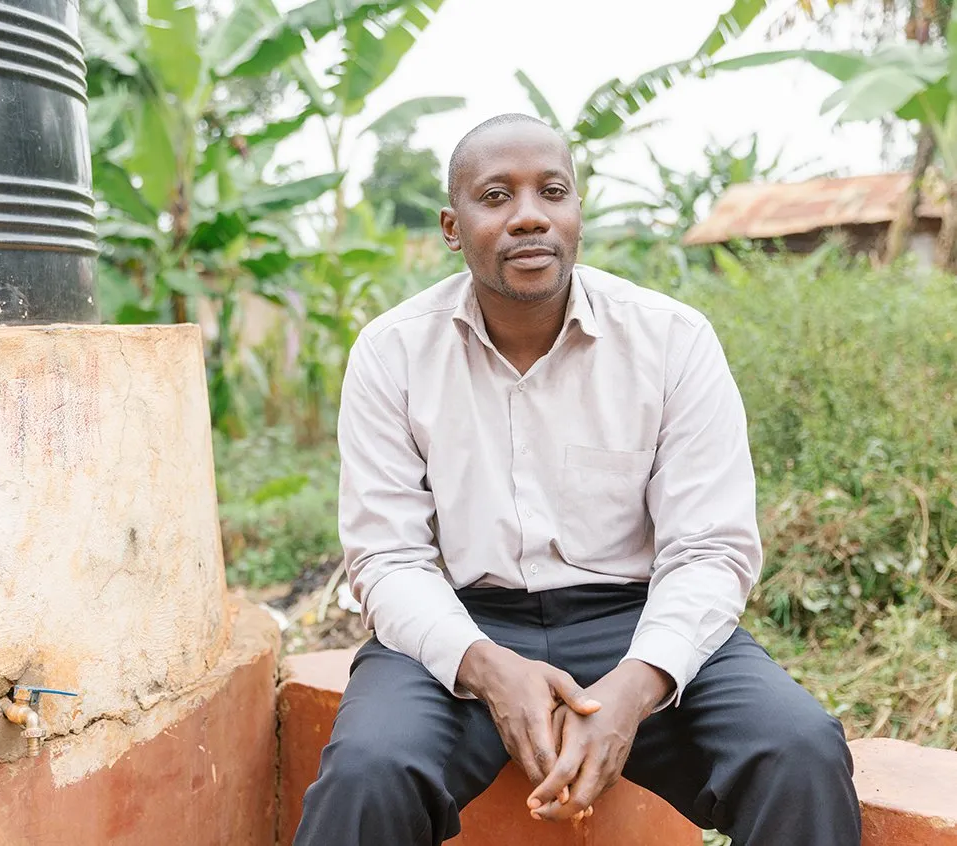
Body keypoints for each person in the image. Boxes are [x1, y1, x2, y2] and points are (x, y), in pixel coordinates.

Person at [292, 113, 862, 846]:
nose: (529, 215)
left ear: (577, 211)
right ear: (451, 224)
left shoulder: (671, 340)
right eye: (495, 196)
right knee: (369, 771)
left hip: (635, 618)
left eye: (551, 191)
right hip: (466, 623)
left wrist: (636, 685)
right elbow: (387, 557)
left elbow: (709, 549)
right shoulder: (392, 353)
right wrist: (489, 670)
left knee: (799, 749)